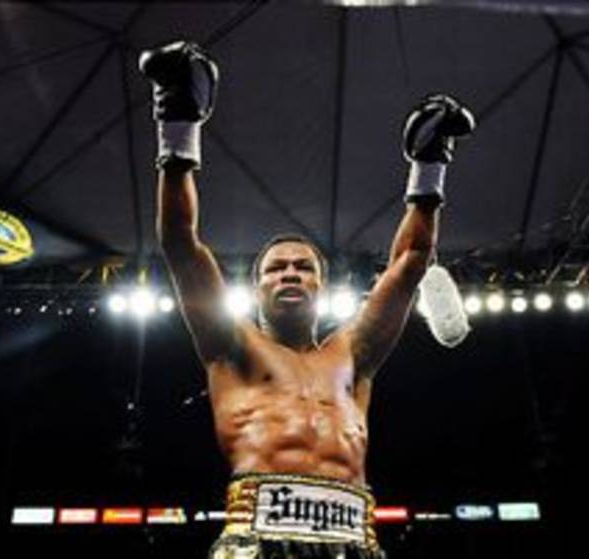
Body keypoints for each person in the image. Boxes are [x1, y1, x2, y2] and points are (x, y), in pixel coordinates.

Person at [139, 40, 474, 559]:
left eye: (303, 267)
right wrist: (178, 123)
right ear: (256, 288)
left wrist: (429, 163)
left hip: (352, 538)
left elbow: (410, 262)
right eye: (276, 268)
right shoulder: (232, 346)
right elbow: (180, 242)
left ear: (322, 286)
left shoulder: (353, 354)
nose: (290, 273)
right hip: (258, 537)